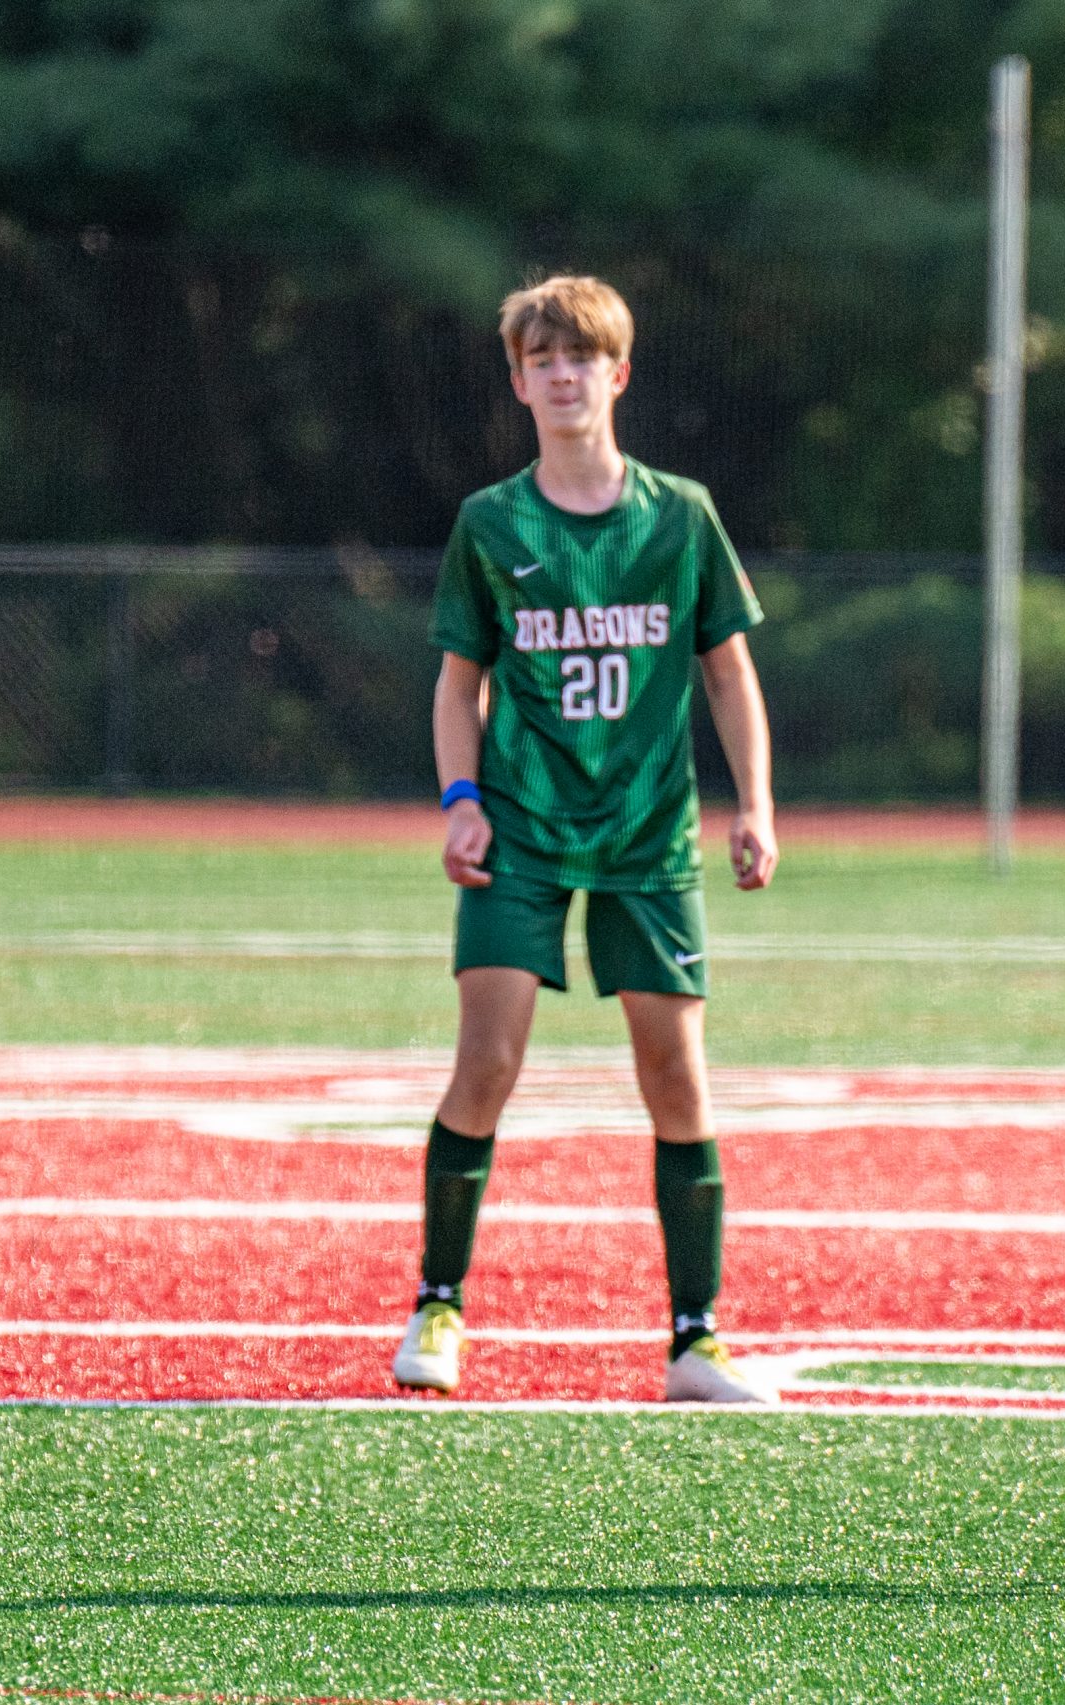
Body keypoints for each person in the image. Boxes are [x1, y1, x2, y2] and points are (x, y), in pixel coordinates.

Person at [395, 275, 780, 1404]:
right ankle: (437, 1305)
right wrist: (459, 797)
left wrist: (754, 803)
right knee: (489, 1063)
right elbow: (456, 685)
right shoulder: (491, 523)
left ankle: (695, 1337)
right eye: (542, 359)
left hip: (650, 840)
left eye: (583, 357)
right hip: (521, 831)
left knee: (675, 1075)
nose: (564, 375)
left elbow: (728, 669)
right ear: (517, 380)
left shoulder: (680, 514)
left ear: (620, 372)